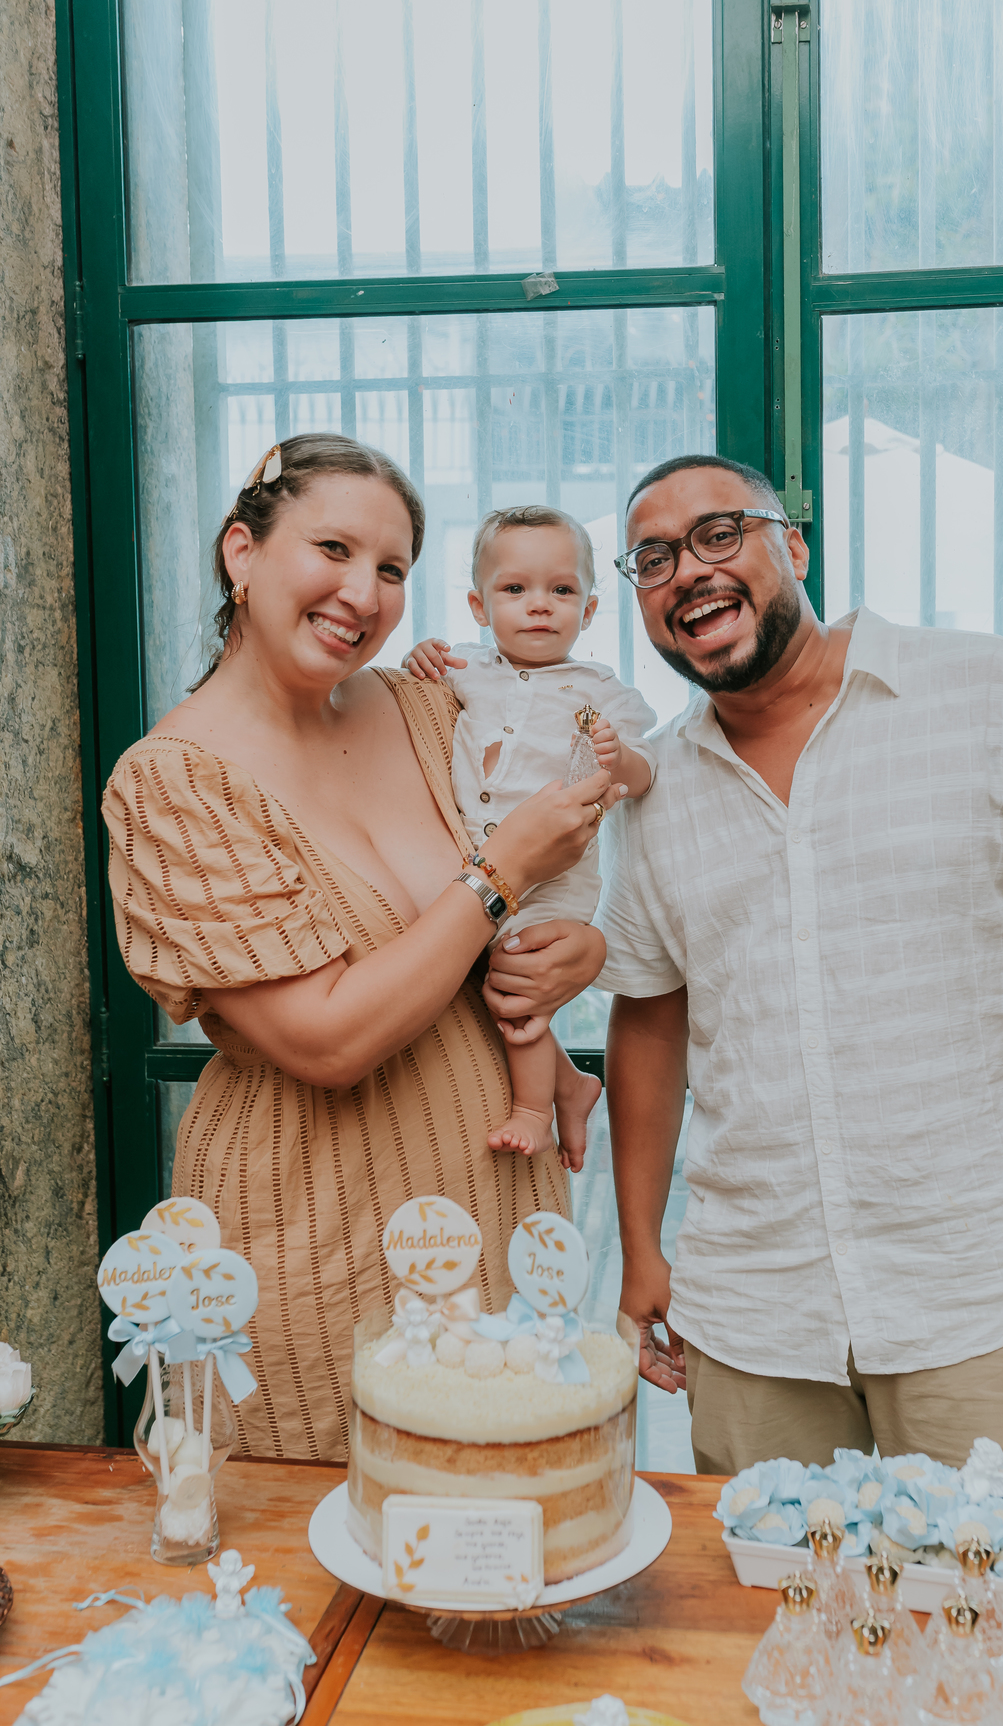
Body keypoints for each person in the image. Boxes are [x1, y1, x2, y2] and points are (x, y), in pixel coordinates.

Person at [599, 452, 1003, 1484]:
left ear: (794, 544)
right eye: (653, 559)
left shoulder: (986, 689)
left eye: (719, 534)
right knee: (766, 1592)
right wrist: (641, 1244)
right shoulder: (653, 788)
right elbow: (649, 1017)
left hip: (979, 1287)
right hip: (751, 1310)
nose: (688, 571)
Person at [102, 434, 621, 1461]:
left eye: (391, 568)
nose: (363, 593)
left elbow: (506, 915)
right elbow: (328, 1039)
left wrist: (576, 959)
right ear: (242, 552)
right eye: (333, 549)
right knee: (334, 1516)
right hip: (316, 1220)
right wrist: (501, 873)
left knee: (505, 1507)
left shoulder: (427, 706)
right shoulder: (174, 782)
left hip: (492, 1187)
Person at [404, 505, 655, 1170]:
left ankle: (534, 1110)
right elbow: (414, 688)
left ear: (590, 609)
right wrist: (417, 653)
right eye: (515, 589)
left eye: (561, 590)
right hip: (474, 861)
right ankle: (571, 1085)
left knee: (512, 984)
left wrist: (618, 758)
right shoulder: (465, 667)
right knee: (469, 970)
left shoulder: (603, 691)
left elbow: (644, 773)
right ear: (479, 606)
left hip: (554, 874)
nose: (539, 605)